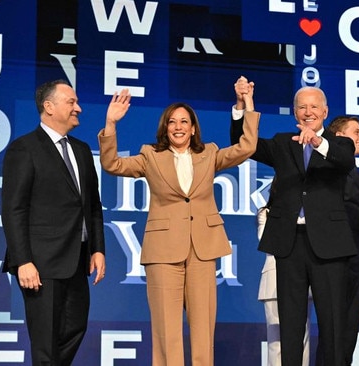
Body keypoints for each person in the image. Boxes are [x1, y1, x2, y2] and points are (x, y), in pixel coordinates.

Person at [99, 83, 259, 365]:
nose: (178, 126)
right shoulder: (151, 156)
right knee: (166, 329)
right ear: (165, 128)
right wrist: (111, 123)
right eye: (172, 122)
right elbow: (112, 164)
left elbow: (247, 147)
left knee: (202, 328)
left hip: (202, 250)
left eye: (184, 121)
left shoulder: (208, 153)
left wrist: (247, 103)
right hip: (163, 252)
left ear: (193, 128)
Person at [231, 76, 357, 365]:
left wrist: (317, 141)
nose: (308, 112)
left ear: (325, 112)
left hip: (329, 246)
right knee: (290, 324)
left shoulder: (340, 144)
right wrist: (242, 106)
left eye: (314, 107)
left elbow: (344, 161)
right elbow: (244, 144)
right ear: (294, 111)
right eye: (302, 107)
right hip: (290, 244)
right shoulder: (282, 144)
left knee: (333, 324)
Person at [1, 79, 106, 365]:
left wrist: (98, 248)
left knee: (74, 329)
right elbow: (14, 209)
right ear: (49, 107)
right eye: (71, 102)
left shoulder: (83, 150)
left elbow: (93, 206)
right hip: (40, 263)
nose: (79, 108)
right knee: (46, 343)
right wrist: (23, 260)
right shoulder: (24, 149)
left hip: (77, 261)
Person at [326, 115, 359, 365]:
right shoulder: (331, 167)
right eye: (356, 132)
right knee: (335, 331)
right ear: (340, 137)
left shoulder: (353, 170)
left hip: (355, 262)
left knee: (346, 333)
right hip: (339, 260)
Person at [257, 187, 311, 366]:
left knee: (302, 338)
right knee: (277, 342)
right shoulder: (266, 213)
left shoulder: (308, 212)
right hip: (274, 281)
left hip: (300, 281)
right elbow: (268, 243)